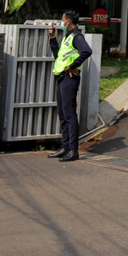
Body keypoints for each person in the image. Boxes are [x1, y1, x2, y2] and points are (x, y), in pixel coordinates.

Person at [47, 10, 92, 162]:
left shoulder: (77, 36)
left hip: (69, 78)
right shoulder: (68, 36)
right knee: (63, 114)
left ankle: (73, 150)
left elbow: (87, 51)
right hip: (61, 78)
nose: (61, 22)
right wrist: (52, 39)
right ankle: (65, 147)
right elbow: (58, 56)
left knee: (70, 114)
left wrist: (73, 66)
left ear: (68, 21)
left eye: (62, 19)